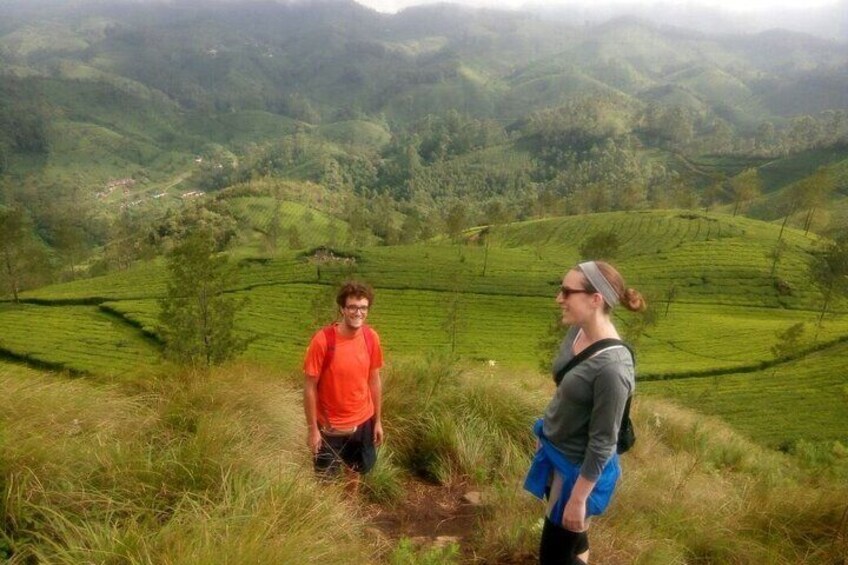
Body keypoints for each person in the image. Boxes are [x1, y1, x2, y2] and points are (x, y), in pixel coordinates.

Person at [524, 260, 646, 565]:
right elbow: (568, 391)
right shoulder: (577, 332)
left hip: (577, 472)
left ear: (596, 299)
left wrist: (578, 500)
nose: (559, 298)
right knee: (574, 542)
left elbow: (604, 441)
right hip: (556, 454)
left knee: (553, 558)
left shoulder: (613, 369)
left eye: (567, 291)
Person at [303, 281, 384, 490]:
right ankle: (330, 521)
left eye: (363, 308)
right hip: (329, 426)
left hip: (363, 419)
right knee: (325, 482)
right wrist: (313, 429)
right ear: (342, 309)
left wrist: (377, 421)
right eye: (352, 307)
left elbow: (374, 380)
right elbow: (309, 387)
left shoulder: (370, 338)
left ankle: (350, 512)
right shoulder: (322, 341)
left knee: (354, 471)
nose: (358, 312)